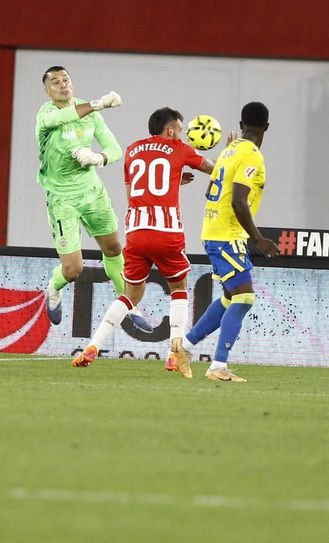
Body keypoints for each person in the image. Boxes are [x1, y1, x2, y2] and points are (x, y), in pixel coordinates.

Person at [79, 107, 219, 367]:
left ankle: (93, 346)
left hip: (136, 231)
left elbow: (135, 192)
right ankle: (174, 354)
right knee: (178, 289)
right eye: (179, 129)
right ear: (170, 130)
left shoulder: (132, 150)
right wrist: (230, 152)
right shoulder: (179, 149)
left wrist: (172, 181)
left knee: (130, 295)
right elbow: (216, 169)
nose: (180, 134)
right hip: (166, 230)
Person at [170, 102, 279, 383]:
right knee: (244, 298)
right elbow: (238, 201)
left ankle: (185, 347)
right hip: (228, 235)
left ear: (241, 124)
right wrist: (259, 239)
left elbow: (210, 192)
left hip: (214, 231)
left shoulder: (229, 150)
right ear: (266, 127)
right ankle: (217, 366)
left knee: (231, 297)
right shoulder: (252, 156)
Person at [34, 66, 148, 335]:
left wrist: (98, 158)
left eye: (66, 80)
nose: (63, 85)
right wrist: (99, 104)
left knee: (113, 248)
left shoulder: (91, 116)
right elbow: (64, 117)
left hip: (92, 192)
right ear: (47, 90)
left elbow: (115, 149)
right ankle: (54, 286)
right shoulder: (46, 114)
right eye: (55, 82)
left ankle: (129, 304)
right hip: (62, 199)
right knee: (73, 270)